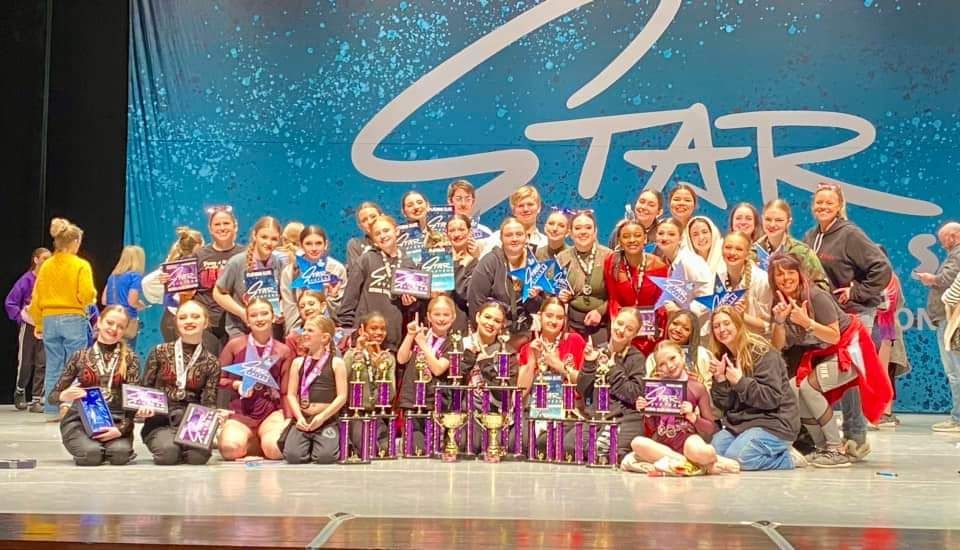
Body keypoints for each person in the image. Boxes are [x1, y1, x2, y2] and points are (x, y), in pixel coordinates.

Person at [768, 252, 892, 466]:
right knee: (793, 389)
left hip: (849, 348)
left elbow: (834, 336)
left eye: (790, 272)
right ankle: (822, 446)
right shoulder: (780, 301)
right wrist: (779, 322)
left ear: (800, 274)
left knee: (808, 388)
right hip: (825, 353)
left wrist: (806, 322)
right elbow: (778, 346)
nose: (785, 278)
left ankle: (836, 448)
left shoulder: (816, 296)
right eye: (779, 274)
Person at [802, 183, 891, 459]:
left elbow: (882, 268)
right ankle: (835, 432)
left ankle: (856, 436)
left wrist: (857, 291)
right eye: (819, 203)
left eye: (829, 203)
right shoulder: (810, 236)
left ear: (839, 205)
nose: (823, 207)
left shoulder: (850, 233)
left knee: (850, 372)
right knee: (833, 373)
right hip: (829, 315)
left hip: (855, 312)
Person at [624, 340, 739, 475]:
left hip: (687, 440)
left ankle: (695, 462)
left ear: (682, 356)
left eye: (672, 358)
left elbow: (711, 428)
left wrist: (694, 417)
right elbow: (654, 427)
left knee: (705, 452)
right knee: (637, 443)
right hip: (662, 444)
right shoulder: (655, 388)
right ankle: (697, 465)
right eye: (662, 364)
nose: (670, 366)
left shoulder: (697, 387)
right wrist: (646, 412)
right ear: (658, 368)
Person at [708, 306, 802, 471]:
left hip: (774, 422)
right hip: (742, 424)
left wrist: (740, 382)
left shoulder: (763, 352)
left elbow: (771, 398)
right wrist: (721, 380)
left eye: (726, 323)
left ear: (738, 324)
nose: (722, 329)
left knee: (739, 459)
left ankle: (788, 458)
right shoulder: (723, 357)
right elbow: (725, 406)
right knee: (714, 455)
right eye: (716, 326)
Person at [53, 306, 142, 466]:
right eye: (110, 322)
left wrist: (121, 429)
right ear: (99, 322)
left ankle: (108, 447)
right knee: (91, 455)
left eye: (120, 326)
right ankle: (91, 447)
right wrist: (63, 395)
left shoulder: (130, 359)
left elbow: (133, 402)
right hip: (79, 420)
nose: (114, 329)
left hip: (116, 420)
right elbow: (53, 396)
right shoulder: (80, 356)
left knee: (119, 455)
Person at [29, 218, 97, 420]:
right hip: (72, 317)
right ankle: (70, 409)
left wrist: (39, 322)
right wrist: (90, 297)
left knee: (53, 366)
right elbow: (86, 294)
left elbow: (36, 297)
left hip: (49, 319)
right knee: (76, 365)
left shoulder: (46, 266)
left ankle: (51, 410)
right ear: (75, 242)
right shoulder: (80, 265)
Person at [141, 300, 221, 465]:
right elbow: (145, 387)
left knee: (197, 458)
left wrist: (214, 417)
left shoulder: (212, 361)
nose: (189, 321)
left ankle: (186, 446)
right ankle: (171, 444)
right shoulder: (160, 352)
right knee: (168, 454)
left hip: (193, 424)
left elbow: (208, 400)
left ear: (205, 322)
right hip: (161, 421)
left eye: (195, 316)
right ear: (176, 323)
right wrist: (143, 406)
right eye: (183, 317)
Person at [217, 298, 295, 461]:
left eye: (264, 313)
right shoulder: (234, 345)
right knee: (229, 449)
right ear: (247, 320)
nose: (259, 318)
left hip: (270, 412)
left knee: (275, 450)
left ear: (273, 317)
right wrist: (236, 384)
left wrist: (288, 419)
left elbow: (286, 391)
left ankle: (260, 442)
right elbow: (218, 379)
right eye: (254, 315)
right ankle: (250, 440)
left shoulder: (283, 351)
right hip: (241, 412)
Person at [338, 215, 420, 352]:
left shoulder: (408, 263)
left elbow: (413, 307)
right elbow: (349, 299)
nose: (382, 236)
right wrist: (348, 332)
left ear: (397, 231)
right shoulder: (366, 259)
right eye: (377, 233)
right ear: (373, 239)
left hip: (393, 338)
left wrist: (410, 304)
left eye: (386, 230)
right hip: (364, 338)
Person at [574, 308, 647, 460]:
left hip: (623, 419)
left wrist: (613, 370)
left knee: (595, 452)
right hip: (596, 418)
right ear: (613, 321)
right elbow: (583, 391)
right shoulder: (598, 350)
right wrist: (588, 363)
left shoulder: (637, 358)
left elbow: (633, 394)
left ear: (634, 334)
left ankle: (623, 452)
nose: (621, 330)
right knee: (570, 447)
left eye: (629, 329)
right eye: (620, 323)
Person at [283, 316, 347, 464]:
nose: (304, 333)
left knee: (326, 457)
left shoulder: (336, 363)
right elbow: (291, 395)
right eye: (304, 329)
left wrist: (322, 417)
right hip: (303, 419)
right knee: (293, 456)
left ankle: (320, 444)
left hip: (326, 419)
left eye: (310, 330)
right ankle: (306, 444)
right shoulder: (297, 363)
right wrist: (298, 417)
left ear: (325, 337)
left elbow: (342, 396)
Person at [915, 222, 960, 432]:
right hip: (948, 318)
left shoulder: (957, 254)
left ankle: (958, 418)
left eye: (945, 240)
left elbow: (949, 280)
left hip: (951, 320)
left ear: (954, 236)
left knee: (955, 371)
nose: (943, 245)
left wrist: (931, 279)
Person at [396, 297, 455, 455]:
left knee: (430, 450)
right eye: (437, 314)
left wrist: (422, 344)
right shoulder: (420, 334)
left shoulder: (453, 342)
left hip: (432, 403)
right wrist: (410, 335)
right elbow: (401, 358)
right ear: (429, 316)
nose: (441, 319)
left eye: (446, 315)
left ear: (453, 317)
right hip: (411, 399)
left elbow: (437, 369)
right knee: (415, 450)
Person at [468, 217, 543, 339]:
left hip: (527, 332)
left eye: (519, 234)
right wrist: (484, 336)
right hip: (494, 332)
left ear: (526, 237)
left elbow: (540, 306)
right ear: (501, 238)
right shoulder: (490, 262)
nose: (514, 239)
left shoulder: (535, 263)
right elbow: (476, 301)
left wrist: (533, 298)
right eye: (509, 235)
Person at [461, 301, 521, 453]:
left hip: (495, 411)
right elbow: (452, 382)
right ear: (477, 317)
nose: (491, 323)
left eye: (497, 321)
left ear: (502, 325)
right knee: (469, 444)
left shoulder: (508, 353)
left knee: (497, 445)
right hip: (466, 410)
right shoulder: (461, 345)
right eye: (487, 317)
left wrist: (485, 363)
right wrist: (468, 359)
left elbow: (505, 392)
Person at [604, 220, 668, 355]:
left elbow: (661, 304)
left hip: (649, 333)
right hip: (623, 330)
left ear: (645, 239)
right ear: (620, 242)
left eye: (637, 235)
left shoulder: (659, 266)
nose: (632, 240)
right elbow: (613, 299)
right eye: (626, 236)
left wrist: (657, 329)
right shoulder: (611, 262)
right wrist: (618, 325)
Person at [215, 215, 285, 339]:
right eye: (264, 237)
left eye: (274, 239)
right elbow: (218, 293)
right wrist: (242, 312)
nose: (268, 243)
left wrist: (280, 309)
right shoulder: (237, 262)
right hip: (240, 330)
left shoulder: (278, 263)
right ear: (254, 236)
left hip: (270, 332)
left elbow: (284, 294)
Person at [141, 226, 207, 344]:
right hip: (175, 318)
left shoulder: (174, 265)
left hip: (178, 318)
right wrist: (162, 282)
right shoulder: (172, 267)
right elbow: (147, 282)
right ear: (199, 245)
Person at [343, 312, 396, 455]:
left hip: (376, 415)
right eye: (373, 328)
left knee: (385, 450)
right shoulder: (351, 355)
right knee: (368, 449)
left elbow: (391, 394)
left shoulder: (388, 358)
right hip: (356, 415)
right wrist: (359, 351)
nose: (379, 332)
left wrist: (380, 371)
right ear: (362, 330)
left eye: (382, 329)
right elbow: (342, 382)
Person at [556, 211, 613, 341]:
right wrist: (560, 295)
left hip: (602, 323)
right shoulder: (562, 258)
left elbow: (618, 294)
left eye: (588, 227)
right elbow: (553, 291)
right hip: (571, 324)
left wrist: (600, 311)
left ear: (595, 231)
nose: (583, 232)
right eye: (577, 228)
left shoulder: (609, 256)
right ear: (570, 232)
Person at [279, 225, 347, 334]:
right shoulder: (289, 272)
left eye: (319, 243)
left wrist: (332, 297)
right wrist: (300, 334)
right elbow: (290, 308)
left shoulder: (337, 269)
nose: (314, 248)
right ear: (301, 245)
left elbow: (341, 310)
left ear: (326, 244)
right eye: (308, 244)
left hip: (329, 331)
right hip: (300, 332)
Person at [6, 247, 50, 411]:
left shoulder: (50, 280)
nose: (47, 262)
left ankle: (37, 399)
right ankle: (20, 390)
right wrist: (20, 317)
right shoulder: (26, 280)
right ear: (36, 260)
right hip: (30, 325)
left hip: (45, 326)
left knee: (42, 362)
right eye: (44, 259)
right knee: (26, 362)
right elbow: (10, 302)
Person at [194, 206, 243, 352]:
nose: (222, 228)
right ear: (210, 228)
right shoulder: (198, 255)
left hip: (237, 324)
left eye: (226, 223)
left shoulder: (246, 254)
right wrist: (168, 281)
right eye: (217, 224)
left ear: (235, 226)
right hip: (207, 325)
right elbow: (183, 286)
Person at [755, 199, 827, 288]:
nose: (772, 224)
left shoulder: (802, 252)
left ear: (788, 222)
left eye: (779, 220)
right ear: (762, 219)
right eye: (768, 219)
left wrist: (798, 298)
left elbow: (822, 285)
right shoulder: (752, 251)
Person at [653, 218, 713, 321]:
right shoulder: (666, 261)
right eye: (661, 233)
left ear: (680, 238)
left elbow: (708, 295)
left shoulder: (690, 261)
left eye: (671, 234)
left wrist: (682, 312)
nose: (664, 238)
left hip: (699, 328)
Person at [716, 231, 772, 335]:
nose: (732, 253)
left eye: (739, 249)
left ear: (747, 254)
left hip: (757, 344)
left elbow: (768, 326)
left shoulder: (762, 280)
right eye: (728, 247)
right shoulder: (718, 278)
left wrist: (742, 316)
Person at [644, 310, 713, 390]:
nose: (678, 330)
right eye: (675, 323)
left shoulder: (701, 354)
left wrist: (700, 385)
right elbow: (649, 390)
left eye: (686, 329)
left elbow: (708, 390)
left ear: (692, 334)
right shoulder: (653, 357)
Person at [480, 185, 547, 256]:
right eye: (520, 206)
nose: (526, 209)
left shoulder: (545, 243)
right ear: (514, 211)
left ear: (539, 208)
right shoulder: (498, 238)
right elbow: (483, 266)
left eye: (530, 204)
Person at [102, 245, 147, 350]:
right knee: (126, 355)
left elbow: (104, 300)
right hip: (127, 319)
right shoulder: (135, 276)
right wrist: (140, 305)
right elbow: (132, 301)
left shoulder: (112, 276)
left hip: (110, 317)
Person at [446, 214, 479, 333]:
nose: (457, 234)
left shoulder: (475, 263)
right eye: (452, 230)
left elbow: (465, 293)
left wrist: (458, 266)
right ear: (447, 234)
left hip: (462, 323)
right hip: (436, 321)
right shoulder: (436, 260)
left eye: (461, 229)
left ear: (469, 232)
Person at [284, 290, 330, 355]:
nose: (307, 308)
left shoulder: (338, 334)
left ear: (323, 306)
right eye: (302, 307)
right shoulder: (292, 338)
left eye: (311, 304)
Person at [345, 201, 384, 270]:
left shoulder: (398, 238)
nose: (370, 222)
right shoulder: (355, 245)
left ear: (383, 217)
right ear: (360, 226)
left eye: (373, 216)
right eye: (364, 220)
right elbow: (356, 275)